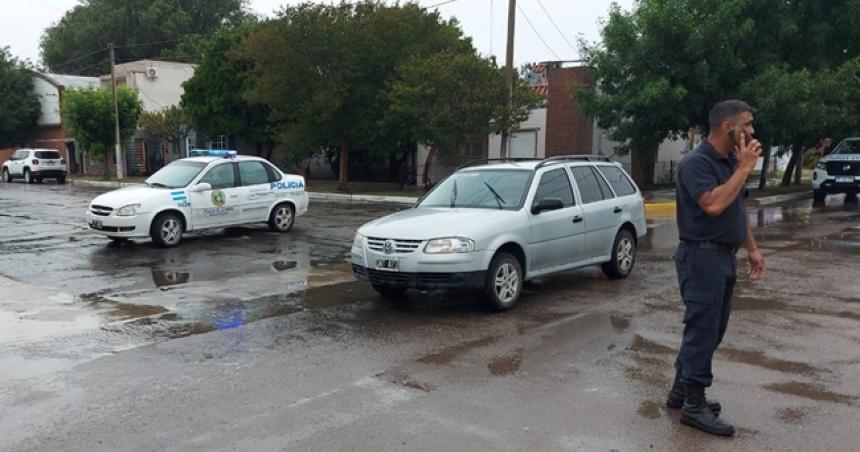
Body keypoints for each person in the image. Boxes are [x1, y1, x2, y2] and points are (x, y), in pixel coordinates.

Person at [665, 100, 767, 437]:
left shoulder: (728, 162)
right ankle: (694, 406)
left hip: (723, 256)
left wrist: (751, 249)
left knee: (712, 330)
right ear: (729, 127)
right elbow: (713, 204)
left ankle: (682, 391)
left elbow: (734, 208)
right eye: (747, 124)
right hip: (701, 258)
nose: (752, 131)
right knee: (703, 330)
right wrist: (744, 169)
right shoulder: (697, 163)